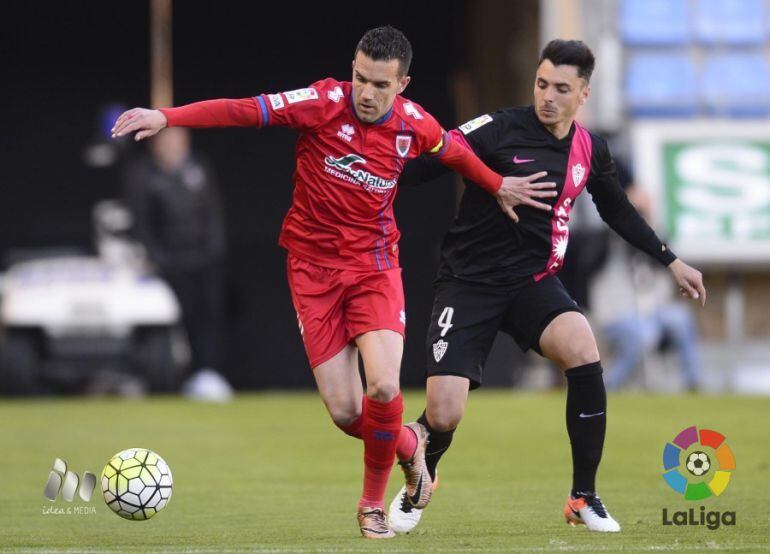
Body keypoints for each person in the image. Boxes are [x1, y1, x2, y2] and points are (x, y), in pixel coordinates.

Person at [111, 26, 555, 538]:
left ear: (402, 85)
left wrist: (498, 184)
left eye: (380, 85)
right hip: (312, 269)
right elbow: (244, 110)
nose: (366, 92)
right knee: (347, 413)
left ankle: (370, 506)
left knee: (383, 384)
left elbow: (453, 151)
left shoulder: (415, 124)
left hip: (374, 267)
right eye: (360, 78)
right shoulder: (322, 103)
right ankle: (410, 445)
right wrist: (169, 116)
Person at [388, 39, 706, 534]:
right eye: (542, 84)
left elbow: (618, 210)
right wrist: (380, 165)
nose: (548, 97)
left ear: (583, 94)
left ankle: (583, 497)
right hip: (468, 282)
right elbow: (428, 161)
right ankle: (420, 478)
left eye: (561, 88)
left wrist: (671, 259)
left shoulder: (589, 149)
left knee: (582, 346)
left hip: (532, 281)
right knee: (445, 413)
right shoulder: (497, 128)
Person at [123, 127, 233, 401]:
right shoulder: (143, 174)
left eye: (179, 140)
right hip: (169, 264)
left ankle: (208, 375)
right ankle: (176, 378)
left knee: (209, 318)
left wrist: (214, 250)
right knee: (176, 321)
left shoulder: (198, 167)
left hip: (204, 261)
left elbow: (213, 213)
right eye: (168, 141)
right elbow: (141, 222)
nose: (174, 146)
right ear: (156, 144)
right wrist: (159, 258)